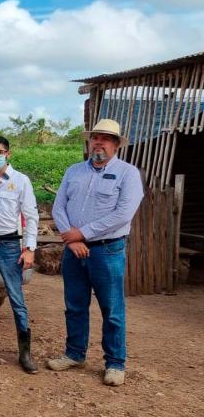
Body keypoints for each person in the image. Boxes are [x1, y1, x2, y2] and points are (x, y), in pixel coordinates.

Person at [48, 119, 143, 387]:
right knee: (75, 305)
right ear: (90, 142)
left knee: (112, 308)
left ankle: (115, 363)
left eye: (106, 138)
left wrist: (84, 233)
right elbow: (59, 207)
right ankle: (74, 354)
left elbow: (123, 214)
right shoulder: (74, 171)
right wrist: (72, 239)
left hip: (107, 250)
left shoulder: (128, 174)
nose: (99, 142)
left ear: (115, 145)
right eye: (95, 138)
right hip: (74, 250)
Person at [0, 136, 39, 374]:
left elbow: (31, 216)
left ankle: (25, 353)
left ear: (8, 154)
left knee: (16, 298)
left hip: (10, 245)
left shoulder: (20, 181)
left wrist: (29, 248)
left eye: (0, 152)